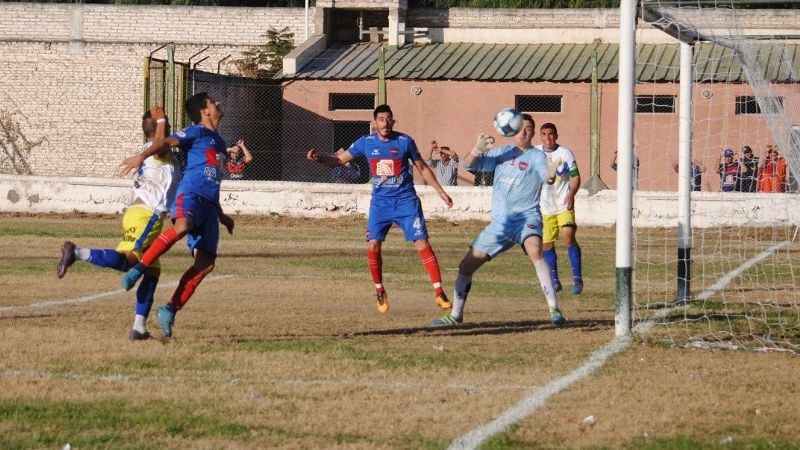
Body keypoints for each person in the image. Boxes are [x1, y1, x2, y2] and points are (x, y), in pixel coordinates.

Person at [307, 104, 454, 314]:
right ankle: (379, 291)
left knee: (422, 243)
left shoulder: (405, 141)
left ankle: (439, 292)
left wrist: (440, 192)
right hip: (380, 204)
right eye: (381, 119)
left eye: (388, 119)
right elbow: (340, 160)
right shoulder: (365, 143)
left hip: (406, 201)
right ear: (375, 123)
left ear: (393, 121)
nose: (385, 123)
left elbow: (422, 167)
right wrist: (320, 158)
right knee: (373, 245)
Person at [118, 92, 235, 339]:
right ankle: (139, 267)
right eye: (214, 102)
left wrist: (222, 216)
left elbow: (213, 179)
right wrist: (142, 156)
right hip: (190, 195)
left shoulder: (220, 142)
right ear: (204, 111)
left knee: (206, 264)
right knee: (181, 226)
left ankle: (169, 309)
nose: (219, 104)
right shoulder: (195, 132)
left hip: (209, 206)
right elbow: (164, 143)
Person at [430, 113, 564, 327]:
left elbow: (547, 177)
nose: (524, 131)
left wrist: (550, 174)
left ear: (532, 132)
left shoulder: (537, 157)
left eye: (528, 128)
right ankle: (455, 315)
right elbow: (467, 165)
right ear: (511, 130)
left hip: (526, 219)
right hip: (500, 224)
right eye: (520, 127)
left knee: (535, 250)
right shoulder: (502, 153)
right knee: (465, 266)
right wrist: (477, 149)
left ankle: (554, 310)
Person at [57, 106, 176, 341]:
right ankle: (78, 253)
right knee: (128, 262)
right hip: (147, 216)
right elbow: (161, 141)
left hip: (140, 213)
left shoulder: (153, 150)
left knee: (152, 270)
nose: (169, 125)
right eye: (165, 123)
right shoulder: (157, 151)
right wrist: (161, 119)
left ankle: (139, 327)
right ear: (160, 129)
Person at [536, 123, 583, 295]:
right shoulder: (535, 153)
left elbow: (575, 177)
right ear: (540, 136)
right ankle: (555, 281)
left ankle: (577, 279)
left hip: (563, 204)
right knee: (547, 245)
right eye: (544, 134)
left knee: (568, 236)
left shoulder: (565, 153)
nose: (547, 137)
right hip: (544, 207)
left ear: (556, 135)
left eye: (551, 134)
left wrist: (571, 194)